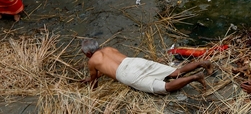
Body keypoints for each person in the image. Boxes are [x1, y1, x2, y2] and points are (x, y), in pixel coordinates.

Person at [81, 38, 211, 93]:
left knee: (165, 87)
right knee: (175, 72)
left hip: (127, 74)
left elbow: (94, 80)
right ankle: (202, 63)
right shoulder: (109, 49)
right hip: (134, 62)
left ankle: (195, 77)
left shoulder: (92, 61)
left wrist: (92, 90)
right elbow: (107, 66)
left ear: (88, 53)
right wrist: (96, 75)